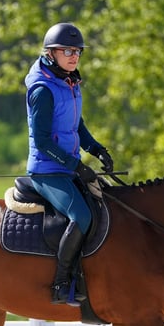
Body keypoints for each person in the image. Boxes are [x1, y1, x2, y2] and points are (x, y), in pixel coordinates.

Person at [25, 22, 113, 306]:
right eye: (67, 50)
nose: (74, 56)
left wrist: (97, 149)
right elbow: (42, 142)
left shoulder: (70, 82)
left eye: (77, 51)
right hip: (47, 170)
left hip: (67, 167)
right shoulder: (43, 90)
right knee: (82, 216)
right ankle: (61, 283)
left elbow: (78, 125)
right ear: (51, 53)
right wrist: (76, 166)